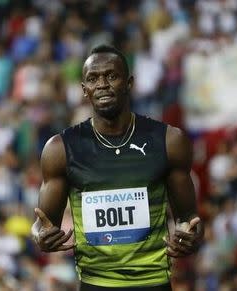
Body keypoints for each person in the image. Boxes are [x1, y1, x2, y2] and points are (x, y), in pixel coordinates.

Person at [31, 44, 204, 290]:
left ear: (129, 82)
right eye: (93, 78)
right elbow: (42, 224)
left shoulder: (169, 141)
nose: (102, 84)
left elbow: (190, 219)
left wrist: (191, 236)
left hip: (153, 282)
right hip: (95, 283)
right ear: (84, 90)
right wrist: (40, 236)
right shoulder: (60, 149)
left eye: (111, 76)